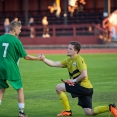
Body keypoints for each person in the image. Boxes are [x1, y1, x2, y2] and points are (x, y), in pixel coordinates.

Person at [39, 41, 117, 117]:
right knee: (89, 112)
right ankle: (110, 108)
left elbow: (84, 75)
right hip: (87, 88)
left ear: (76, 51)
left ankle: (67, 111)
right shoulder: (69, 60)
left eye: (70, 48)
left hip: (83, 87)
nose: (67, 50)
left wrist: (73, 80)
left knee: (58, 87)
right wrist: (44, 59)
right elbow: (54, 63)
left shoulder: (79, 59)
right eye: (67, 48)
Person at [0, 20, 42, 117]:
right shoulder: (16, 41)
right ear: (14, 29)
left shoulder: (0, 38)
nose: (20, 31)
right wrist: (38, 58)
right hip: (10, 67)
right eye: (19, 29)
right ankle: (21, 112)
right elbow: (26, 56)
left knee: (1, 89)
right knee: (19, 89)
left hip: (0, 66)